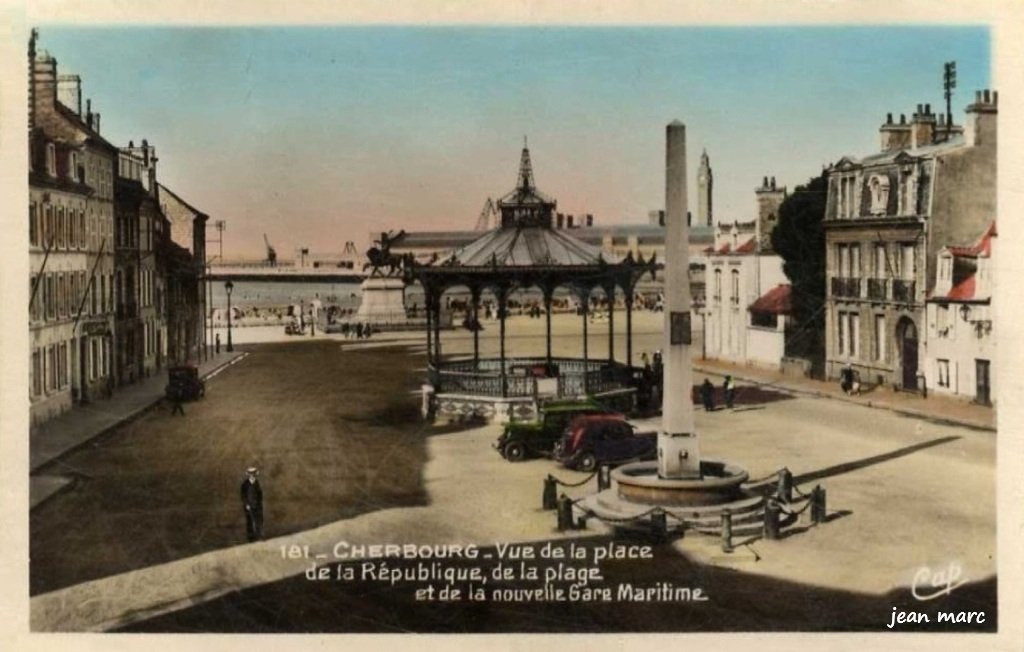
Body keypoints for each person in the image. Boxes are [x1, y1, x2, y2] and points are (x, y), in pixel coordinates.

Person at [241, 466, 264, 542]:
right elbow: (243, 496)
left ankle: (259, 536)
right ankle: (251, 538)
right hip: (249, 506)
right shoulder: (245, 484)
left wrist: (259, 503)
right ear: (248, 474)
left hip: (257, 505)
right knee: (250, 521)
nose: (252, 475)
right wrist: (246, 504)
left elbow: (260, 494)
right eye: (250, 473)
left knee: (258, 520)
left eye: (253, 473)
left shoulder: (257, 483)